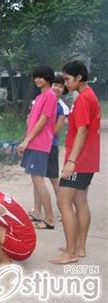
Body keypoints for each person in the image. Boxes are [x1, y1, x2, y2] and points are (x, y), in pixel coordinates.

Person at [50, 60, 101, 265]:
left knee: (63, 201)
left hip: (78, 161)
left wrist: (71, 161)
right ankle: (79, 247)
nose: (66, 83)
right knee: (80, 201)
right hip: (88, 159)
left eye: (68, 79)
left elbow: (82, 131)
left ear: (79, 77)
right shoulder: (90, 95)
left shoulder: (82, 100)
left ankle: (70, 252)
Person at [17, 65, 58, 230]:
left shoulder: (50, 96)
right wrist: (26, 139)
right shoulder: (40, 97)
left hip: (40, 144)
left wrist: (27, 141)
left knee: (39, 181)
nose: (38, 80)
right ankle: (37, 213)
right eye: (36, 77)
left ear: (48, 78)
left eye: (41, 77)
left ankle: (49, 219)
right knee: (36, 180)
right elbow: (33, 121)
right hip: (33, 142)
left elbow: (43, 120)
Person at [32, 75, 70, 223]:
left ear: (64, 90)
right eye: (55, 84)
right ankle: (37, 211)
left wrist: (38, 134)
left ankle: (63, 209)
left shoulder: (62, 107)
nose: (57, 88)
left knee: (54, 179)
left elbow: (56, 130)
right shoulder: (39, 100)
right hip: (36, 144)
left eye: (61, 86)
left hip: (50, 146)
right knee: (37, 178)